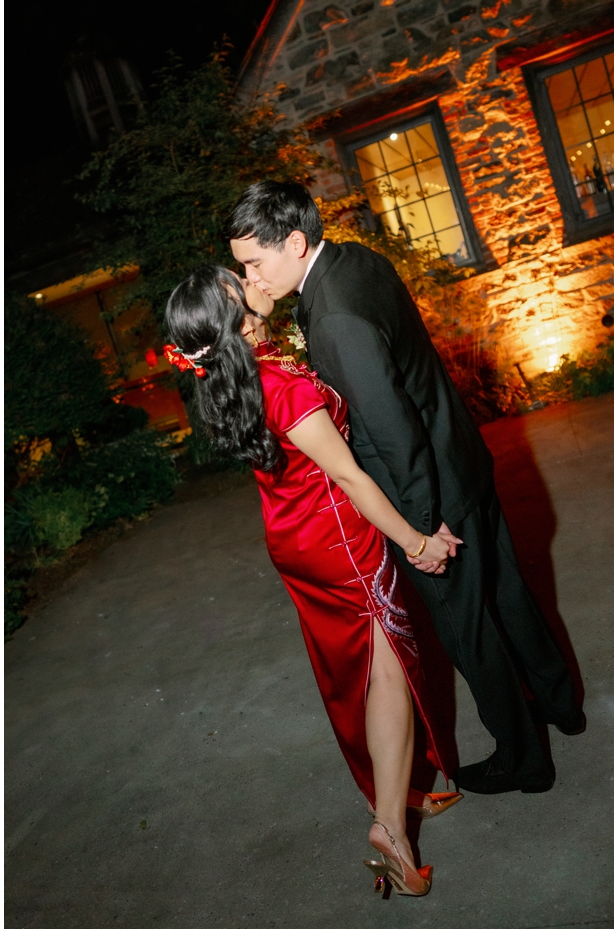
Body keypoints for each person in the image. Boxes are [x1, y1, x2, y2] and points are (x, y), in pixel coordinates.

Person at [225, 180, 585, 796]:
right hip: (462, 459)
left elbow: (390, 429)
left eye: (255, 264)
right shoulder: (354, 260)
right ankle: (561, 705)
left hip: (431, 492)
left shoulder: (333, 316)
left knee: (468, 630)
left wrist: (421, 530)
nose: (252, 281)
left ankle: (524, 758)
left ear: (293, 241)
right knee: (508, 592)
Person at [165, 265, 459, 897]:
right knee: (388, 673)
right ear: (240, 318)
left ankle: (398, 793)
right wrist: (416, 542)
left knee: (352, 670)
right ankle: (391, 830)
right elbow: (349, 478)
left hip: (294, 535)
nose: (251, 276)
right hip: (337, 540)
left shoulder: (240, 374)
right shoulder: (281, 387)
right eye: (237, 280)